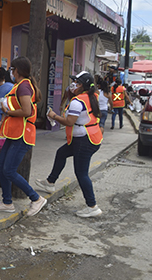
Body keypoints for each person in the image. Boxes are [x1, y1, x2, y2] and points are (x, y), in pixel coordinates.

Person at [36, 71, 103, 218]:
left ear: (84, 86)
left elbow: (69, 122)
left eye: (77, 83)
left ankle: (92, 206)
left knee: (81, 173)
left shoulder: (77, 102)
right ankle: (50, 182)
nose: (73, 85)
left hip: (84, 140)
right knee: (61, 153)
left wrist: (53, 116)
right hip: (89, 137)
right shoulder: (92, 96)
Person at [0, 56, 47, 217]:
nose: (11, 72)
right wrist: (3, 104)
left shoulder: (24, 86)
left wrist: (7, 111)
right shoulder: (20, 85)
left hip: (22, 135)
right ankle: (7, 202)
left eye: (12, 69)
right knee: (2, 167)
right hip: (14, 133)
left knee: (9, 170)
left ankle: (36, 198)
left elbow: (26, 111)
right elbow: (18, 105)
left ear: (17, 70)